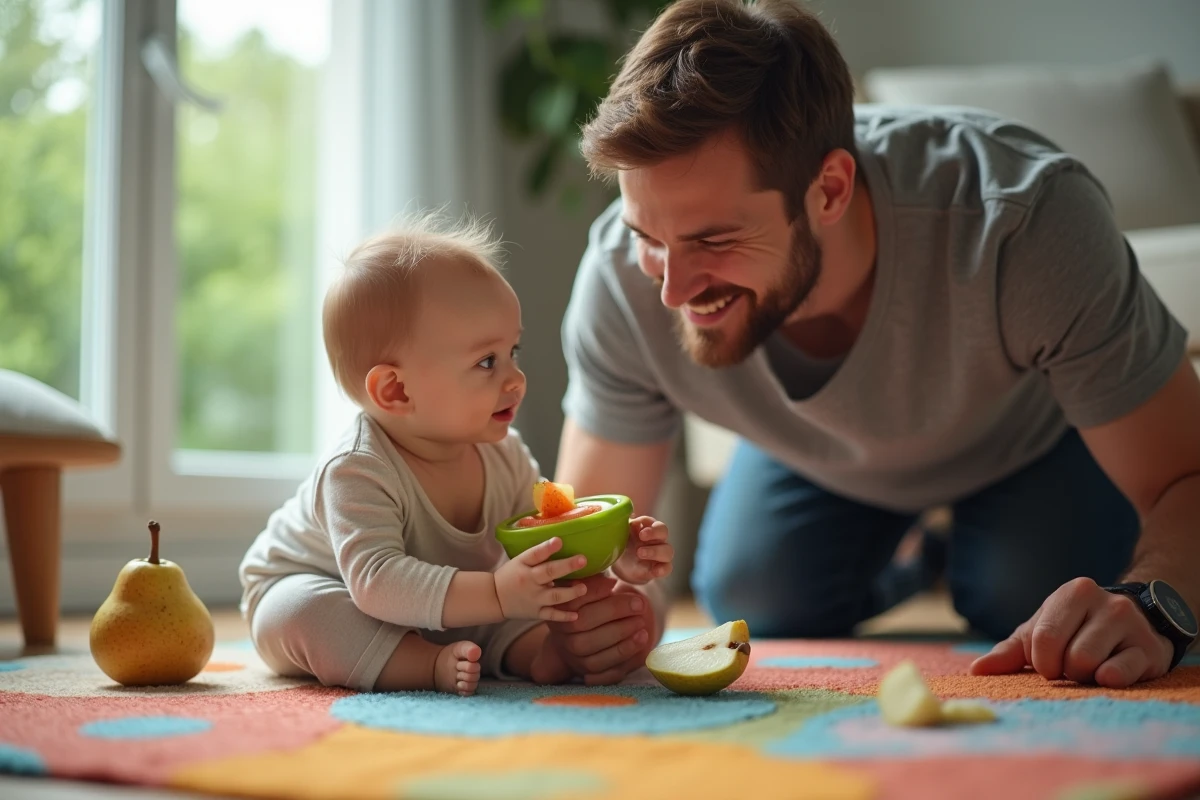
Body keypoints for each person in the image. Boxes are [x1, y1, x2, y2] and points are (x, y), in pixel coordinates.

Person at [548, 0, 1200, 689]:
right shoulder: (621, 278)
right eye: (648, 236)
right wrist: (596, 622)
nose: (673, 290)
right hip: (817, 461)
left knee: (1031, 605)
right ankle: (922, 555)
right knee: (756, 601)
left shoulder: (1024, 222)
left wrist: (1153, 605)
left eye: (714, 240)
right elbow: (593, 547)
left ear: (828, 189)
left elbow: (1187, 478)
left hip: (1031, 443)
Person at [238, 213, 672, 695]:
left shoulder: (504, 456)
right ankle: (424, 666)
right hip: (325, 588)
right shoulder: (357, 469)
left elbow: (542, 551)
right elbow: (376, 582)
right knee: (305, 612)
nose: (515, 379)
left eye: (514, 352)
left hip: (452, 604)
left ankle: (543, 658)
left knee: (516, 605)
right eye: (487, 361)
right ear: (396, 391)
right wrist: (495, 594)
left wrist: (612, 554)